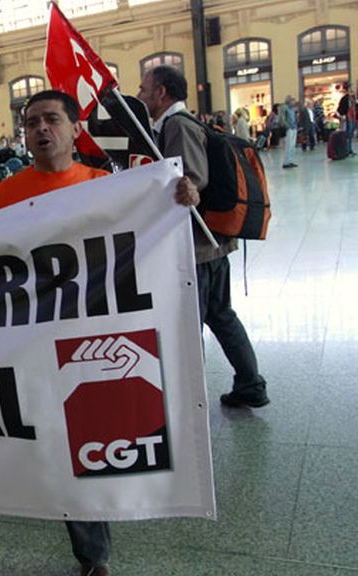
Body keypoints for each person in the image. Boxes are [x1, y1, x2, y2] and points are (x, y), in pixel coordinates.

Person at [0, 89, 200, 576]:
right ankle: (89, 546)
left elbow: (154, 230)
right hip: (35, 336)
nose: (42, 129)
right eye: (32, 122)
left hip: (92, 338)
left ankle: (93, 550)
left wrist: (183, 199)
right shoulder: (6, 194)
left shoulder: (105, 185)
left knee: (89, 434)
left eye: (53, 120)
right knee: (56, 440)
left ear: (75, 129)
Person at [139, 64, 269, 409]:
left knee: (190, 325)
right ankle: (250, 383)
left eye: (144, 89)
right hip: (212, 244)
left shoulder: (177, 125)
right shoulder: (184, 122)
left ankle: (187, 405)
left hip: (197, 249)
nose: (140, 95)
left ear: (161, 93)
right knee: (221, 315)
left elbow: (192, 179)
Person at [282, 96, 299, 168]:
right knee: (288, 145)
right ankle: (286, 162)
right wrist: (287, 126)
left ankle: (290, 161)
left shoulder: (293, 109)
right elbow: (282, 118)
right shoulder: (285, 108)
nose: (294, 102)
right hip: (289, 128)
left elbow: (294, 118)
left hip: (294, 127)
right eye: (293, 101)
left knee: (292, 145)